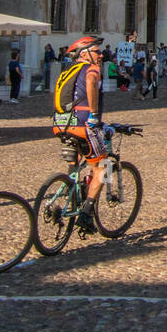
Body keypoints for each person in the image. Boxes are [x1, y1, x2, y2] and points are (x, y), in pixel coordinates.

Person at [49, 36, 110, 233]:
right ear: (84, 54)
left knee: (76, 162)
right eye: (97, 51)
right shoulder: (91, 68)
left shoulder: (67, 72)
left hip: (61, 124)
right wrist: (93, 115)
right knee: (103, 167)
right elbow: (91, 82)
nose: (101, 55)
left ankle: (71, 185)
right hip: (83, 124)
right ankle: (86, 212)